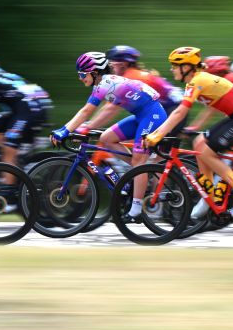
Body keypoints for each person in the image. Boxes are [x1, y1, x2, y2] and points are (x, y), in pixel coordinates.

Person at [143, 47, 233, 218]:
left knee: (206, 152)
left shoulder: (198, 80)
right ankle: (209, 195)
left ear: (187, 67)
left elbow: (179, 112)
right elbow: (208, 110)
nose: (172, 69)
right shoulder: (198, 80)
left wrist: (157, 135)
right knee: (198, 143)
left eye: (175, 65)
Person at [50, 52, 167, 219]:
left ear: (95, 72)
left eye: (83, 74)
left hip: (153, 115)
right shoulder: (106, 83)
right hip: (141, 115)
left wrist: (64, 130)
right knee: (106, 139)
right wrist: (86, 127)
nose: (80, 78)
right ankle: (139, 169)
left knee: (137, 160)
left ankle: (136, 208)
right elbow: (106, 112)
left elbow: (86, 111)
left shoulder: (106, 83)